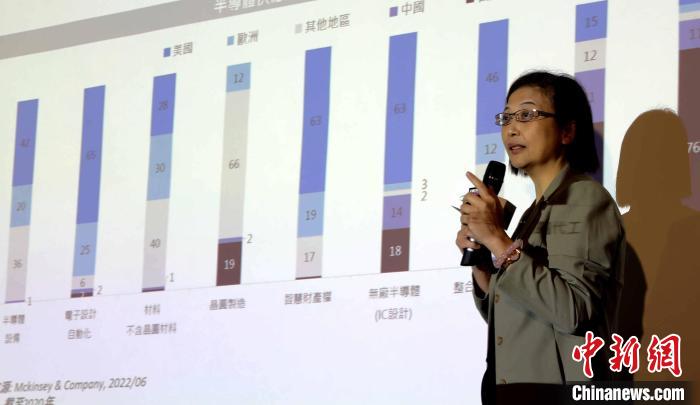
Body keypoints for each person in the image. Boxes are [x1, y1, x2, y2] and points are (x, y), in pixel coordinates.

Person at [456, 71, 626, 403]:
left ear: (567, 131)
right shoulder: (534, 213)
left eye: (527, 115)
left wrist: (498, 239)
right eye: (507, 117)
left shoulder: (584, 198)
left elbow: (572, 311)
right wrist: (482, 260)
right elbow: (511, 315)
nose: (511, 128)